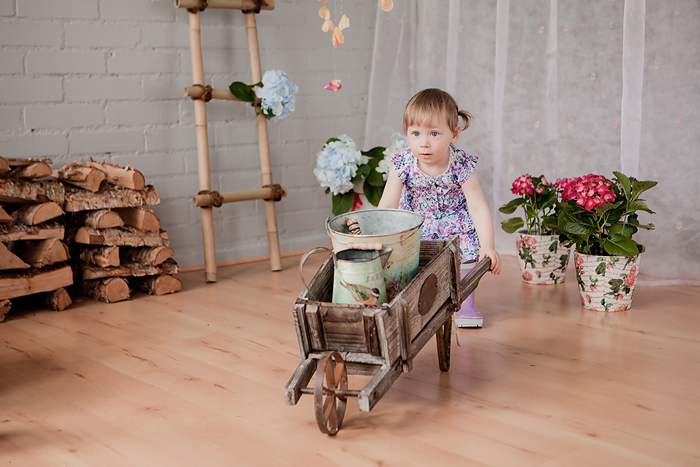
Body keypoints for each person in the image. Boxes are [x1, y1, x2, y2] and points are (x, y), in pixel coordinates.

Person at [378, 88, 501, 328]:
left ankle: (465, 305)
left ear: (454, 134)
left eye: (434, 133)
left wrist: (488, 245)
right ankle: (418, 305)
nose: (424, 143)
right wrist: (379, 237)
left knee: (467, 250)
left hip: (454, 222)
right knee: (408, 259)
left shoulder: (461, 164)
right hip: (417, 224)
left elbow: (478, 208)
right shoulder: (402, 164)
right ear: (406, 133)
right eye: (416, 133)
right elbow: (388, 205)